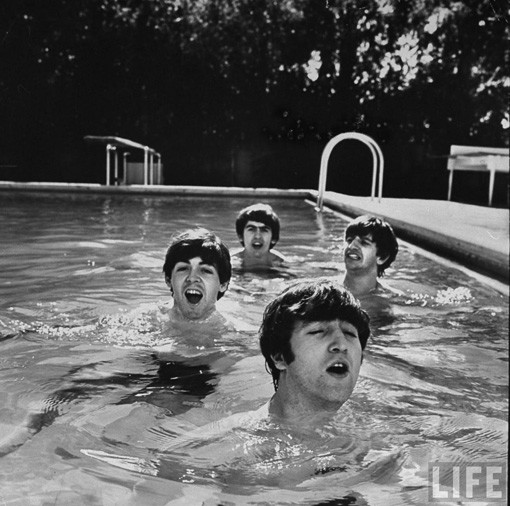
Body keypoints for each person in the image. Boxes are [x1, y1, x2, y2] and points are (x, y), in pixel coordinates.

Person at [259, 279, 370, 427]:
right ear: (280, 357)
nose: (342, 344)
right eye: (318, 331)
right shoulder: (231, 442)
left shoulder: (379, 438)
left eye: (349, 333)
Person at [162, 227, 231, 325]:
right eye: (183, 269)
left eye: (205, 270)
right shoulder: (144, 322)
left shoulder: (237, 334)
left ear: (223, 284)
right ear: (168, 280)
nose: (192, 278)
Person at [341, 215, 399, 298]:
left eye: (364, 242)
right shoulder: (325, 292)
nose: (351, 246)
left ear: (382, 257)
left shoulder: (391, 299)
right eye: (349, 240)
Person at [232, 203, 286, 269]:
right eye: (251, 229)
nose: (257, 236)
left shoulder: (284, 264)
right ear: (241, 236)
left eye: (264, 230)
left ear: (273, 238)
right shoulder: (229, 263)